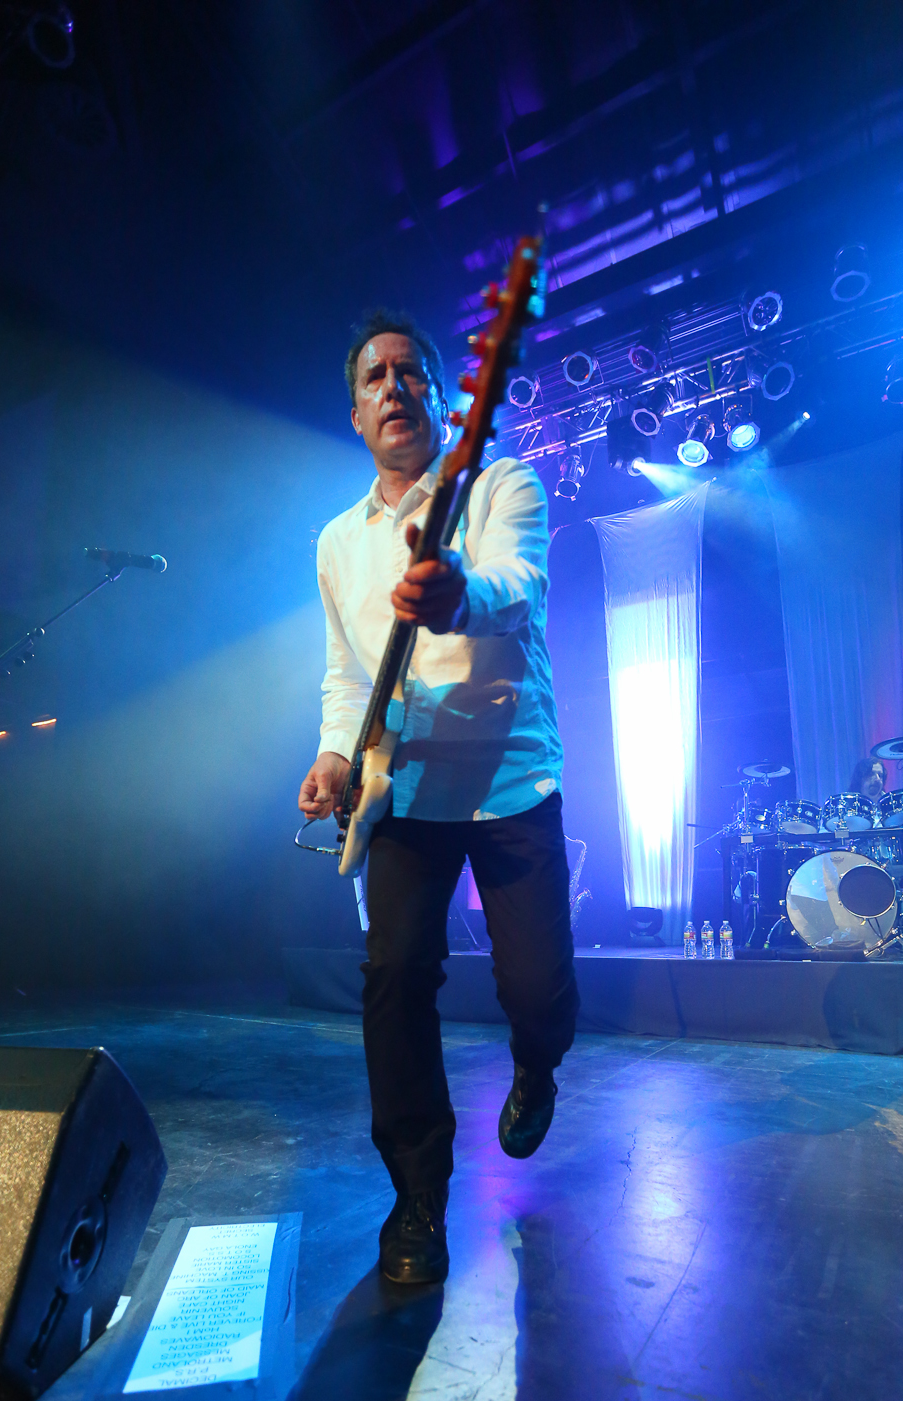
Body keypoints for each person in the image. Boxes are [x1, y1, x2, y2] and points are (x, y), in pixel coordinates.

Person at [298, 309, 579, 1286]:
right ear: (354, 413)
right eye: (373, 377)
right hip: (407, 788)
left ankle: (537, 1061)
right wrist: (335, 755)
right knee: (393, 981)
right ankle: (416, 1194)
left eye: (409, 371)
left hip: (509, 780)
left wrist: (456, 592)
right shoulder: (337, 542)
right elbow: (347, 672)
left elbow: (518, 585)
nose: (393, 387)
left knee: (537, 994)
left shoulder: (500, 484)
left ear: (445, 395)